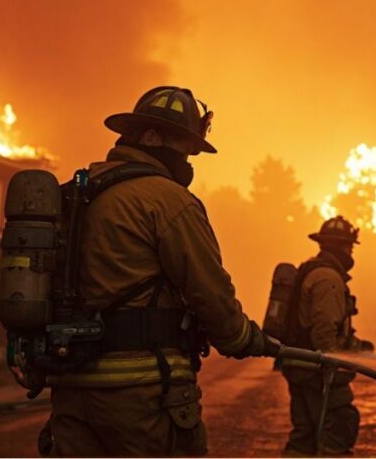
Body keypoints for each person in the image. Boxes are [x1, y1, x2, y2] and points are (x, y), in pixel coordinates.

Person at [45, 86, 276, 456]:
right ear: (151, 137)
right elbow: (209, 290)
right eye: (183, 150)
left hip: (71, 386)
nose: (187, 162)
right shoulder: (167, 200)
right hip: (141, 390)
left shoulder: (76, 194)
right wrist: (241, 337)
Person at [280, 216, 374, 456]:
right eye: (350, 247)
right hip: (318, 373)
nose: (351, 253)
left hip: (302, 368)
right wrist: (336, 364)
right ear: (342, 247)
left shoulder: (312, 270)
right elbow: (324, 333)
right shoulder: (328, 278)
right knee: (339, 425)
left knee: (305, 438)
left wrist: (356, 346)